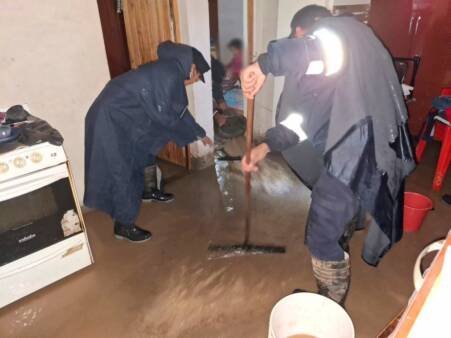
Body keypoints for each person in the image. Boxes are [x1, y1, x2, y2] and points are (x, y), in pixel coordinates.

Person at [240, 5, 415, 305]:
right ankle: (337, 260)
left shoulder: (336, 36)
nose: (301, 45)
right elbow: (300, 119)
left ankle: (329, 305)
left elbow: (316, 51)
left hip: (353, 155)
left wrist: (265, 63)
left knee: (321, 234)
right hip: (367, 150)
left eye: (300, 38)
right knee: (341, 218)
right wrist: (265, 146)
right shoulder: (350, 58)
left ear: (309, 30)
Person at [84, 41, 212, 243]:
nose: (195, 81)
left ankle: (148, 189)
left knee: (146, 148)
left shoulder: (169, 71)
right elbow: (168, 114)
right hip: (110, 118)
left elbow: (175, 109)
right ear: (192, 67)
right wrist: (189, 133)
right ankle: (124, 225)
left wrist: (198, 133)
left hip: (123, 115)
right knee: (122, 168)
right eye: (197, 76)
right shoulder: (170, 72)